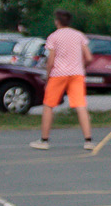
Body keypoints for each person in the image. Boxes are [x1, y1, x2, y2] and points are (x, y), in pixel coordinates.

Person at [30, 9, 93, 150]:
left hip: (58, 74)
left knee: (48, 106)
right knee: (80, 105)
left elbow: (51, 60)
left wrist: (47, 76)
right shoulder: (79, 35)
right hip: (76, 74)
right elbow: (89, 57)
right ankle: (88, 140)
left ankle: (44, 140)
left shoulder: (53, 37)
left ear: (57, 22)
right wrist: (82, 66)